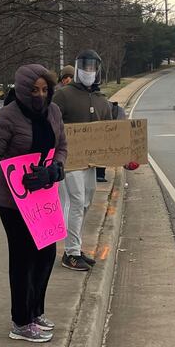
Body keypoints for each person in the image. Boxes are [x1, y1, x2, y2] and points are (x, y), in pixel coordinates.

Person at [0, 64, 68, 343]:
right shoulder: (8, 117)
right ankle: (21, 321)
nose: (40, 95)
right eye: (34, 90)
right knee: (23, 256)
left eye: (45, 90)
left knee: (47, 253)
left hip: (43, 193)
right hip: (13, 200)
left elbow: (62, 146)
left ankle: (36, 311)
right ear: (23, 91)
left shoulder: (54, 112)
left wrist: (55, 170)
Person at [52, 50, 114, 271]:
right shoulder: (64, 95)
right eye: (84, 66)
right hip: (69, 161)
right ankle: (71, 253)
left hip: (90, 162)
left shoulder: (101, 100)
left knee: (86, 202)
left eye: (92, 67)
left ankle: (75, 246)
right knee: (76, 202)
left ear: (97, 70)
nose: (88, 71)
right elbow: (51, 124)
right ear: (77, 68)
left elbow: (109, 130)